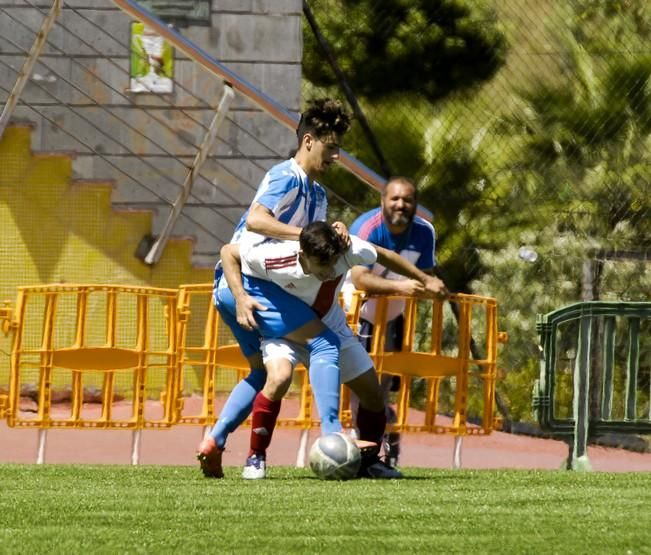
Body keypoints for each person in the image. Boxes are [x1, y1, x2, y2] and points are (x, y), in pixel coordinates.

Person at [197, 98, 352, 478]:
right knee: (325, 343)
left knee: (267, 376)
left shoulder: (317, 195)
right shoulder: (286, 176)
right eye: (331, 148)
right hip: (244, 284)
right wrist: (307, 234)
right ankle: (333, 439)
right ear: (310, 141)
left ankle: (215, 440)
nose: (336, 157)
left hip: (237, 290)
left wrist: (334, 232)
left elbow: (310, 249)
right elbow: (255, 220)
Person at [221, 221, 446, 479]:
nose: (330, 271)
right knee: (278, 379)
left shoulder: (348, 249)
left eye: (333, 264)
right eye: (322, 266)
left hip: (331, 326)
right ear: (303, 255)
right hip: (284, 330)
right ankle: (255, 457)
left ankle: (369, 462)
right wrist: (239, 297)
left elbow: (387, 256)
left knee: (372, 392)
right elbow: (228, 252)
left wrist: (425, 278)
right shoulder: (276, 255)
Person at [346, 176, 448, 467]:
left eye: (408, 200)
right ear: (382, 201)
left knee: (383, 384)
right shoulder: (367, 228)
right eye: (395, 198)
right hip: (357, 312)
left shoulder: (424, 233)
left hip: (392, 315)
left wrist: (435, 290)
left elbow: (424, 275)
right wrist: (402, 288)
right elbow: (359, 278)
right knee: (361, 383)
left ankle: (382, 446)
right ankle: (360, 444)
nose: (401, 205)